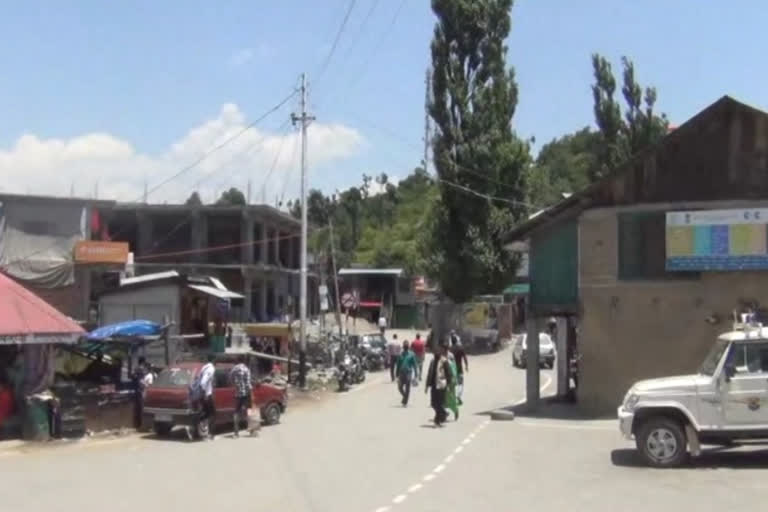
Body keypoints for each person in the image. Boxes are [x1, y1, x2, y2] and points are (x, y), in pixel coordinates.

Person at [425, 343, 452, 427]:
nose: (436, 353)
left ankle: (437, 420)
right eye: (435, 352)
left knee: (439, 403)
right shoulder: (432, 361)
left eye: (437, 352)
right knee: (433, 403)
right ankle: (443, 413)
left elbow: (449, 373)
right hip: (433, 385)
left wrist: (449, 384)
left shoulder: (444, 361)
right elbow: (429, 373)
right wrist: (426, 385)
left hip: (441, 385)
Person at [229, 355, 255, 438]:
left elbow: (230, 379)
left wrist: (235, 385)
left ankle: (236, 433)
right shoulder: (246, 369)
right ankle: (252, 431)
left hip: (238, 394)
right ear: (244, 361)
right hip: (246, 394)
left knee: (236, 413)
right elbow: (248, 383)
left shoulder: (234, 369)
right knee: (250, 411)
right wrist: (252, 394)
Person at [197, 354, 216, 440]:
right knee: (212, 414)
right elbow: (203, 382)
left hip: (203, 394)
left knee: (205, 414)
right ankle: (210, 434)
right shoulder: (210, 368)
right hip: (207, 394)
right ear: (214, 360)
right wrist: (205, 393)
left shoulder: (203, 367)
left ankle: (201, 431)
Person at [395, 341, 418, 406]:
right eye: (405, 346)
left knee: (408, 388)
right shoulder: (400, 354)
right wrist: (396, 374)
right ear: (403, 347)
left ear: (408, 347)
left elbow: (415, 365)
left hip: (408, 373)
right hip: (401, 373)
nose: (405, 347)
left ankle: (405, 401)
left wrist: (416, 375)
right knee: (400, 387)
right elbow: (398, 365)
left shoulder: (412, 354)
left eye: (407, 346)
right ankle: (405, 396)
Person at [451, 337, 469, 405]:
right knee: (460, 384)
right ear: (457, 341)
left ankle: (452, 398)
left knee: (452, 384)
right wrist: (466, 366)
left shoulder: (450, 349)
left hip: (452, 369)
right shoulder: (460, 348)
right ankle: (458, 396)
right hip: (459, 369)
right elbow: (465, 358)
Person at [444, 350, 460, 420]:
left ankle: (453, 410)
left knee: (445, 396)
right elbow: (455, 370)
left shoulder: (446, 363)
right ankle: (450, 411)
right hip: (453, 380)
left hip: (448, 381)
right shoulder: (452, 361)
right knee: (451, 396)